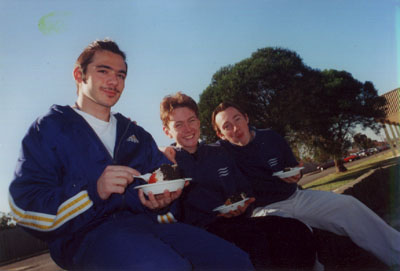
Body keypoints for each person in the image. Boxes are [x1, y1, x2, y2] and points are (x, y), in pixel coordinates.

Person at [7, 40, 254, 271]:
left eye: (120, 75)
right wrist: (94, 191)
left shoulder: (134, 134)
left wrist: (162, 203)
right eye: (103, 71)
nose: (114, 81)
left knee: (235, 261)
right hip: (86, 236)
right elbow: (24, 207)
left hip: (148, 227)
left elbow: (168, 205)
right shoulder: (49, 128)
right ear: (79, 75)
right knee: (165, 266)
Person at [211, 101, 400, 268]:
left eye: (237, 119)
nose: (235, 128)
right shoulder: (219, 154)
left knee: (348, 205)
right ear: (220, 134)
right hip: (264, 211)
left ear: (246, 118)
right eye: (227, 126)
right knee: (295, 234)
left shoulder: (270, 137)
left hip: (295, 196)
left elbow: (293, 167)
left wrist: (296, 174)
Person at [159, 92, 318, 270]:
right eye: (178, 125)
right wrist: (161, 149)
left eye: (192, 120)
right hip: (203, 232)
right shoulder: (166, 163)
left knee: (296, 230)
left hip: (237, 222)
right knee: (255, 245)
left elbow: (244, 190)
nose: (188, 129)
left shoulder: (218, 152)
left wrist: (243, 205)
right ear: (167, 131)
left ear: (199, 122)